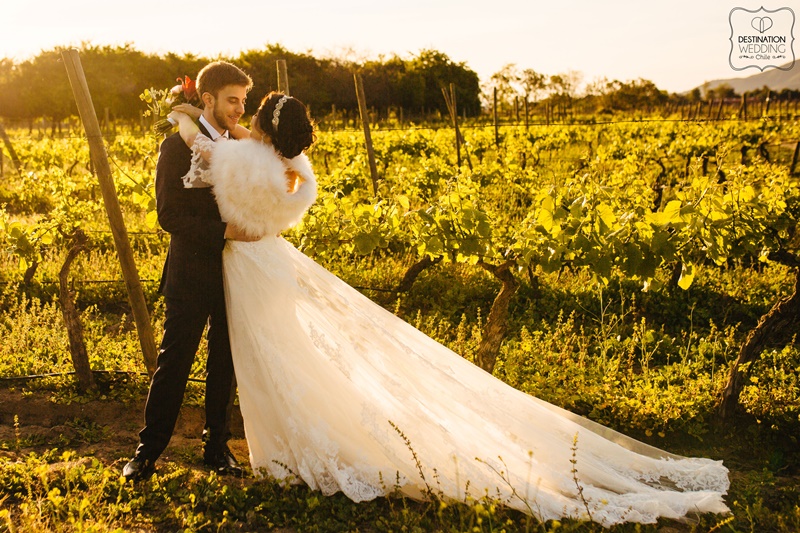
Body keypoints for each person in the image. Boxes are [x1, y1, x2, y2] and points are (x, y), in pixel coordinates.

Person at [165, 92, 731, 527]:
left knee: (271, 361)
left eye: (251, 114)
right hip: (274, 267)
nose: (242, 118)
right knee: (286, 358)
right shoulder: (296, 173)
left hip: (249, 268)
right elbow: (252, 143)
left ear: (262, 129)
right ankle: (285, 446)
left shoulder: (243, 162)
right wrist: (242, 128)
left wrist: (183, 115)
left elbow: (204, 148)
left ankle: (288, 451)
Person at [122, 61, 256, 482]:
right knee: (175, 362)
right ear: (208, 99)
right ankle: (147, 451)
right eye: (232, 100)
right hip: (190, 272)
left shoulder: (242, 148)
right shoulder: (175, 147)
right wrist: (224, 231)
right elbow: (169, 215)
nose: (239, 109)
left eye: (243, 101)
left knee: (224, 364)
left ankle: (217, 448)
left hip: (236, 272)